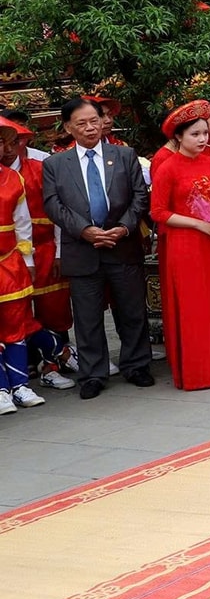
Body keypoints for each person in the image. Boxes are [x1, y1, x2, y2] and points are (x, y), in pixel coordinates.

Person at [40, 97, 154, 398]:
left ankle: (137, 365)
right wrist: (85, 231)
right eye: (82, 123)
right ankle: (93, 373)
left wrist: (124, 227)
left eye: (95, 120)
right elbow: (53, 205)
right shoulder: (55, 164)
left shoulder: (124, 155)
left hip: (122, 244)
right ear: (68, 127)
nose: (91, 127)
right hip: (82, 249)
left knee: (132, 310)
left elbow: (139, 196)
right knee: (87, 316)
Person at [147, 102, 210, 392]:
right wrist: (198, 224)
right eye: (195, 134)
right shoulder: (167, 168)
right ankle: (201, 372)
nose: (203, 139)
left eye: (204, 133)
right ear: (178, 136)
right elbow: (158, 212)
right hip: (186, 244)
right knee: (196, 306)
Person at [0, 118, 43, 410]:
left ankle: (20, 385)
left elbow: (23, 224)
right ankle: (1, 389)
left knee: (16, 325)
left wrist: (27, 260)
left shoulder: (13, 179)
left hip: (9, 263)